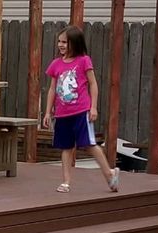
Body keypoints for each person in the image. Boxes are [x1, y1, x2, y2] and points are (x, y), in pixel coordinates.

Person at [38, 27, 119, 193]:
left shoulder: (84, 61)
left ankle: (109, 173)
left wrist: (93, 107)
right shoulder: (56, 64)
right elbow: (52, 89)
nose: (60, 45)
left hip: (81, 112)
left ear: (74, 43)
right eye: (59, 41)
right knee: (66, 147)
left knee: (89, 144)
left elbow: (93, 84)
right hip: (62, 114)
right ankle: (66, 182)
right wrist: (47, 111)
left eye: (64, 42)